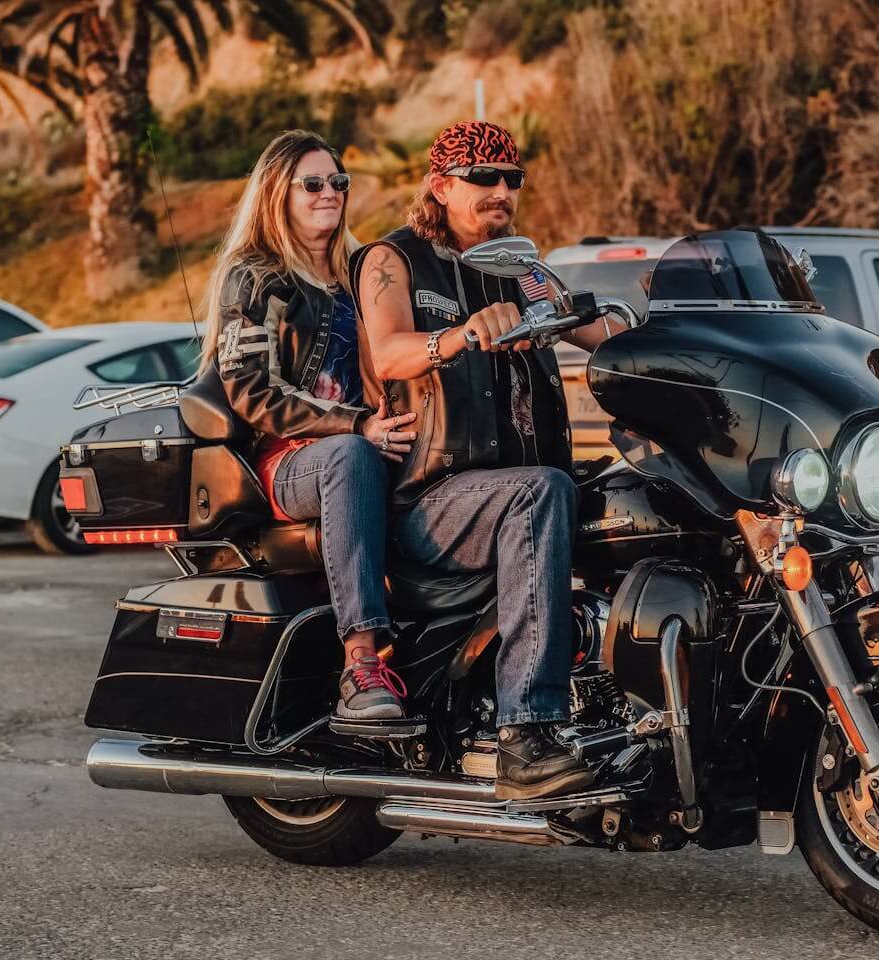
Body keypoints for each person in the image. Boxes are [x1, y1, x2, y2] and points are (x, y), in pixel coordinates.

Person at [353, 120, 627, 800]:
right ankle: (525, 735)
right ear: (440, 185)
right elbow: (387, 352)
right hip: (430, 498)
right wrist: (460, 335)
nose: (502, 190)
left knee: (637, 495)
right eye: (484, 177)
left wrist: (660, 337)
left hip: (513, 487)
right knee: (541, 492)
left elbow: (600, 330)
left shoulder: (522, 268)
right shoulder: (395, 260)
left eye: (513, 180)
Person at [203, 129, 417, 729]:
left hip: (372, 443)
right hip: (289, 461)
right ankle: (361, 663)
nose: (331, 193)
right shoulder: (258, 277)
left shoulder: (361, 271)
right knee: (348, 456)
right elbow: (250, 391)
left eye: (340, 182)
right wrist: (356, 425)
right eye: (314, 184)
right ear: (278, 192)